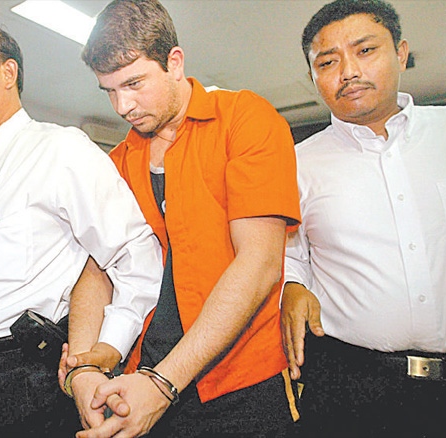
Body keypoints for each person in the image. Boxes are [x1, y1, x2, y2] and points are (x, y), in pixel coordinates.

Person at [0, 23, 162, 438]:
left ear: (7, 72)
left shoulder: (62, 151)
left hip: (26, 384)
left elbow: (135, 254)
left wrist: (104, 351)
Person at [59, 1, 302, 437]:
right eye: (109, 90)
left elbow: (259, 263)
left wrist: (164, 382)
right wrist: (83, 366)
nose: (122, 106)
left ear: (174, 62)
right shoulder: (117, 163)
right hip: (138, 380)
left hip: (238, 387)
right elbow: (97, 269)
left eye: (134, 83)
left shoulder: (245, 119)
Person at [281, 0, 446, 437]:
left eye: (365, 51)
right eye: (328, 62)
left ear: (400, 53)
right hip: (350, 388)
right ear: (312, 76)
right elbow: (289, 252)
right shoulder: (296, 164)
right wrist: (292, 283)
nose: (348, 72)